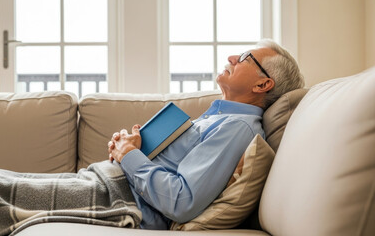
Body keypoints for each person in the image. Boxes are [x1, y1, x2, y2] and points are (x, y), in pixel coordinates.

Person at [107, 38, 305, 229]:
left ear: (262, 85)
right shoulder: (220, 118)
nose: (231, 58)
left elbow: (181, 202)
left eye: (245, 57)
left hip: (120, 198)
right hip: (108, 182)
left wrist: (128, 156)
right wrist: (133, 149)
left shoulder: (238, 128)